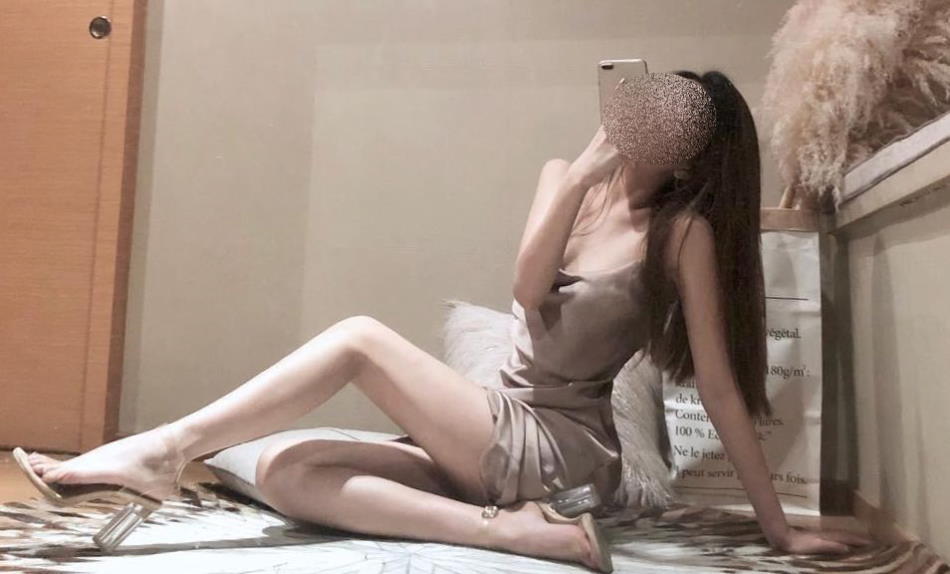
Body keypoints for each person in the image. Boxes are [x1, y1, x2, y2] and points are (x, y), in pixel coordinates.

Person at [18, 69, 871, 572]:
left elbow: (718, 386)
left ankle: (165, 450)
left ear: (691, 149)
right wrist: (582, 174)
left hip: (565, 452)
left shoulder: (682, 233)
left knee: (358, 338)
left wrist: (777, 528)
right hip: (496, 428)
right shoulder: (564, 179)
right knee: (285, 467)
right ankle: (519, 536)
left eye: (669, 121)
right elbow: (528, 288)